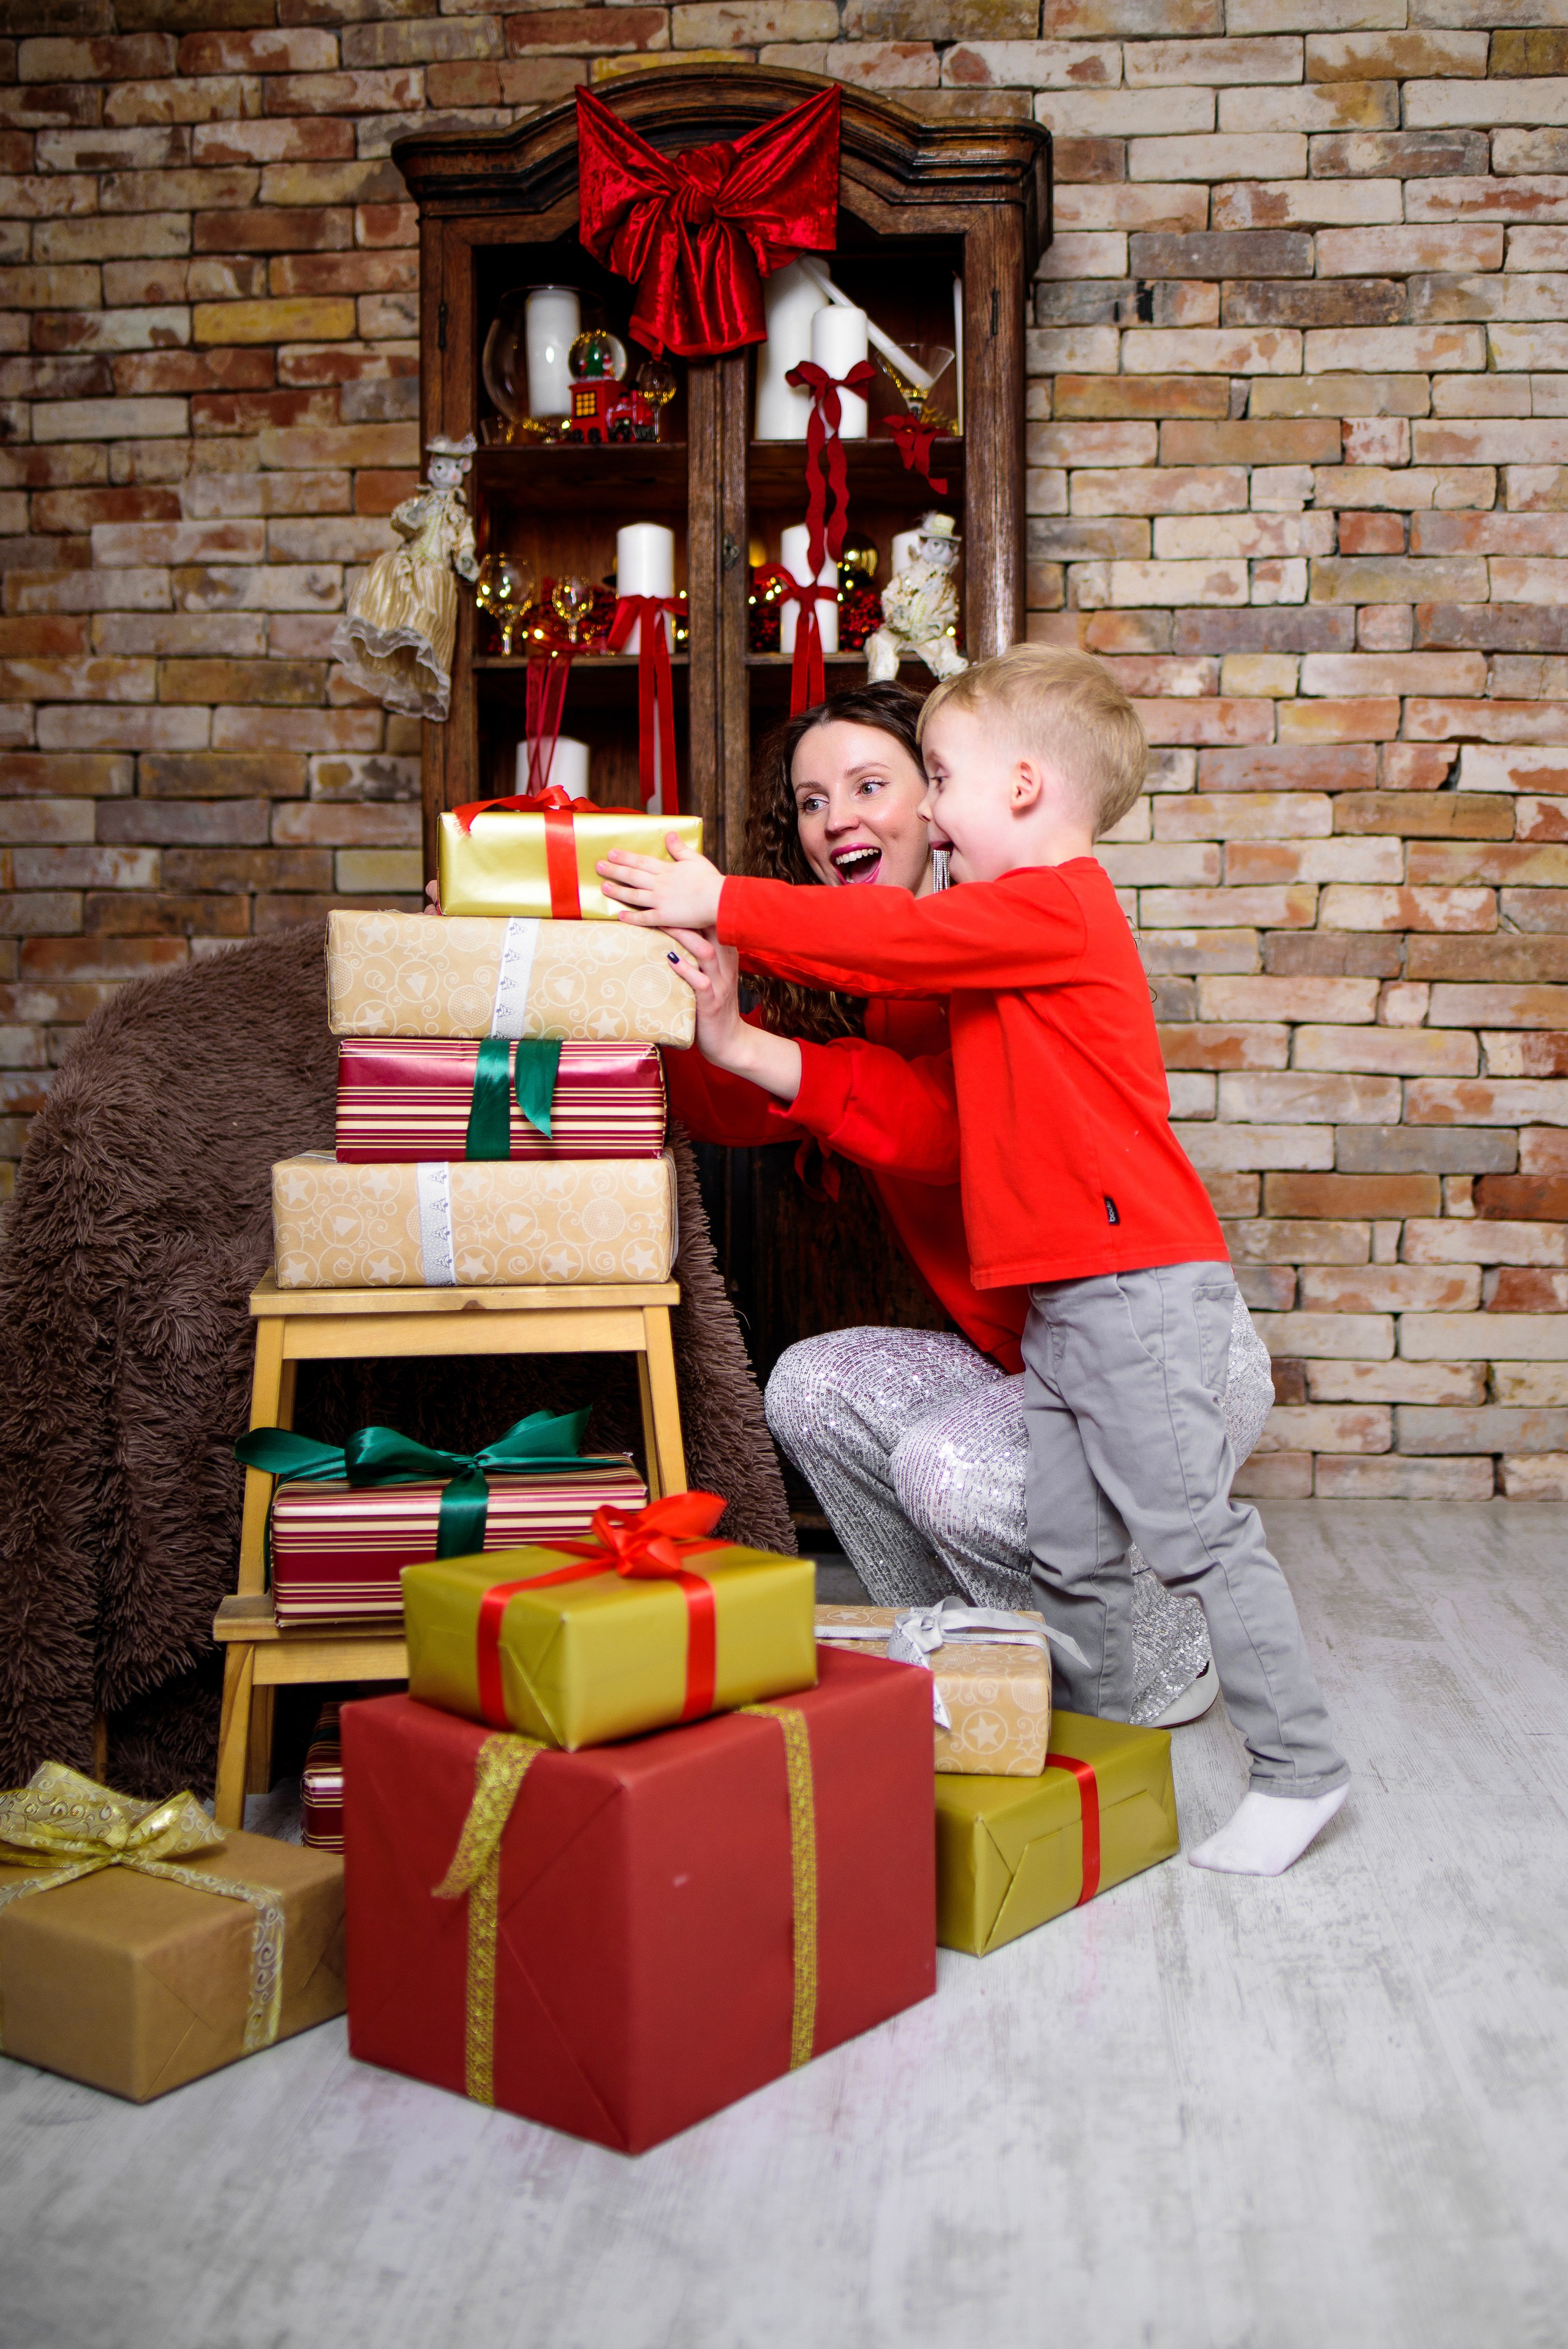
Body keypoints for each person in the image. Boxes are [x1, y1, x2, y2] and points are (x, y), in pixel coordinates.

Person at [601, 647, 1351, 1879]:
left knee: (1194, 1537)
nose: (925, 812)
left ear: (1016, 791)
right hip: (1063, 1304)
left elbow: (888, 946)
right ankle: (1098, 1735)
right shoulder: (991, 932)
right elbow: (888, 1072)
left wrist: (719, 897)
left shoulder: (1053, 905)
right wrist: (724, 1031)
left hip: (1142, 1296)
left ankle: (1298, 1770)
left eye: (930, 779)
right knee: (1064, 1549)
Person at [661, 681, 1274, 1734]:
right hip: (1037, 1359)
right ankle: (970, 1648)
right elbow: (729, 1106)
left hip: (1154, 1352)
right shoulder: (863, 979)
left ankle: (1159, 1659)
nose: (835, 819)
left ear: (948, 803)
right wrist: (612, 994)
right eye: (810, 802)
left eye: (877, 784)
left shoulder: (1000, 929)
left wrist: (727, 931)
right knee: (810, 1389)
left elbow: (940, 1129)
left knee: (951, 1472)